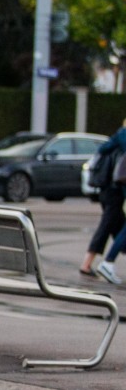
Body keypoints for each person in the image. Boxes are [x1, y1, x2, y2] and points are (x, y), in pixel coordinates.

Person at [80, 118, 126, 279]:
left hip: (110, 189)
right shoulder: (123, 135)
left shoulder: (115, 138)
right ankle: (97, 263)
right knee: (108, 225)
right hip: (114, 190)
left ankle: (101, 262)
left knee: (116, 226)